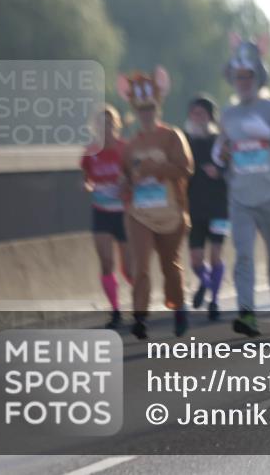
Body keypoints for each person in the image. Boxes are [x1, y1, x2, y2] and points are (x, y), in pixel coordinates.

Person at [212, 34, 270, 337]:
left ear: (257, 76)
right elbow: (221, 148)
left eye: (247, 75)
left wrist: (269, 135)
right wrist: (220, 152)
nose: (242, 81)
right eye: (237, 76)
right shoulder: (228, 114)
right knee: (242, 255)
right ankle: (247, 314)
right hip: (240, 195)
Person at [116, 67, 194, 339]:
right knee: (140, 266)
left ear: (157, 107)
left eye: (150, 108)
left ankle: (179, 306)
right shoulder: (130, 146)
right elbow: (125, 177)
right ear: (135, 112)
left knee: (169, 267)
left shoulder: (172, 136)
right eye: (141, 110)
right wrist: (124, 183)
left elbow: (185, 169)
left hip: (171, 212)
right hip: (140, 213)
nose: (146, 114)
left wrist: (155, 169)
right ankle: (140, 318)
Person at [80, 104, 132, 330]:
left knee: (129, 268)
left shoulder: (126, 149)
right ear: (95, 127)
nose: (106, 127)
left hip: (124, 213)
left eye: (110, 122)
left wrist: (127, 183)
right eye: (101, 123)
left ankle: (140, 299)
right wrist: (88, 187)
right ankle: (116, 310)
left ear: (117, 125)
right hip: (101, 212)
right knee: (106, 262)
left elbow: (137, 177)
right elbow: (87, 178)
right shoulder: (90, 152)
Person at [184, 95, 228, 320]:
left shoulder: (220, 141)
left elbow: (235, 169)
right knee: (195, 259)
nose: (196, 118)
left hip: (220, 206)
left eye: (201, 113)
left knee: (215, 255)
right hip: (194, 208)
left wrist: (220, 173)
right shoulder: (184, 142)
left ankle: (215, 300)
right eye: (193, 113)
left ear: (210, 116)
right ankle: (205, 282)